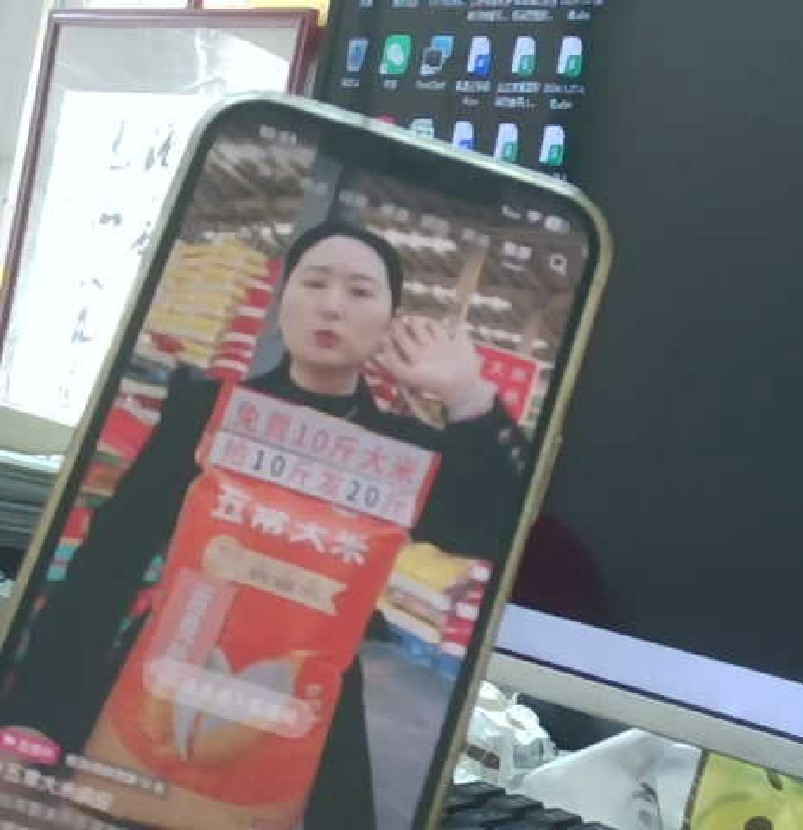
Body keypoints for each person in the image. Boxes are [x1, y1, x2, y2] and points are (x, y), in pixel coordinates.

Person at [1, 220, 530, 827]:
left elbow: (492, 531)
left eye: (360, 291)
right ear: (284, 299)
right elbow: (111, 559)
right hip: (166, 667)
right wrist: (36, 715)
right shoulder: (208, 411)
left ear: (389, 319)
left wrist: (468, 398)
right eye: (315, 282)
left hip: (309, 708)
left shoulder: (400, 449)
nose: (332, 305)